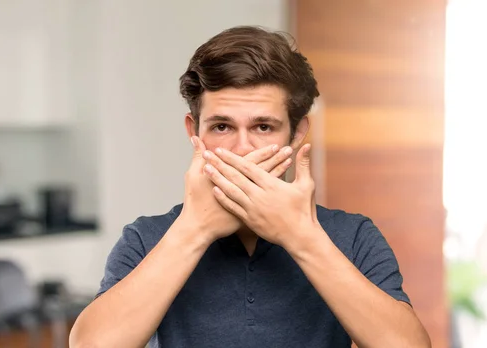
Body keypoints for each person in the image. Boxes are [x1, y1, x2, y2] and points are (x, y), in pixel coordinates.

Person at [69, 26, 431, 348]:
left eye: (263, 127)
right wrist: (195, 230)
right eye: (222, 127)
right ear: (194, 133)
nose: (242, 149)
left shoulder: (353, 236)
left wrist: (301, 237)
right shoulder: (146, 238)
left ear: (297, 133)